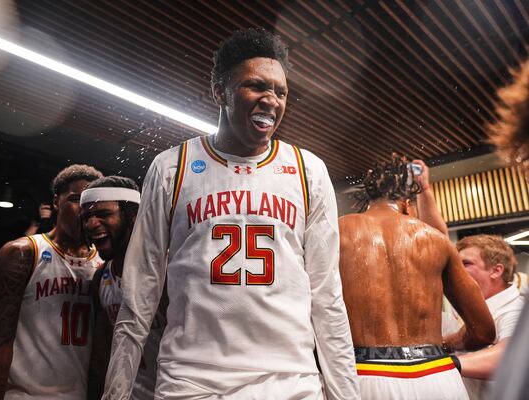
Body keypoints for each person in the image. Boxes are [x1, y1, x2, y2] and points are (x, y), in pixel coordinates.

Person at [103, 28, 359, 399]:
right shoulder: (172, 167)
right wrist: (115, 394)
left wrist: (346, 395)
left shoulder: (308, 170)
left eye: (281, 91)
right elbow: (140, 293)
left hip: (290, 382)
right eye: (256, 86)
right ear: (219, 92)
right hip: (191, 381)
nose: (271, 100)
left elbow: (327, 297)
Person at [339, 154, 495, 400]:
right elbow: (484, 331)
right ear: (406, 203)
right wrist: (445, 344)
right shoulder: (434, 238)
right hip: (437, 375)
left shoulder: (337, 231)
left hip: (362, 374)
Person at [0, 164, 104, 400]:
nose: (83, 210)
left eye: (92, 204)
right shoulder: (22, 253)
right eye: (75, 199)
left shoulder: (105, 265)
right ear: (56, 201)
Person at [80, 176, 166, 399]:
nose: (91, 224)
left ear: (133, 216)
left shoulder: (168, 269)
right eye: (87, 217)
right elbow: (103, 357)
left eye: (104, 214)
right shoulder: (101, 278)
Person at [442, 235, 523, 399]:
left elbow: (511, 357)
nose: (456, 272)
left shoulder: (515, 309)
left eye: (465, 264)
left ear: (496, 270)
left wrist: (438, 364)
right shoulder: (468, 309)